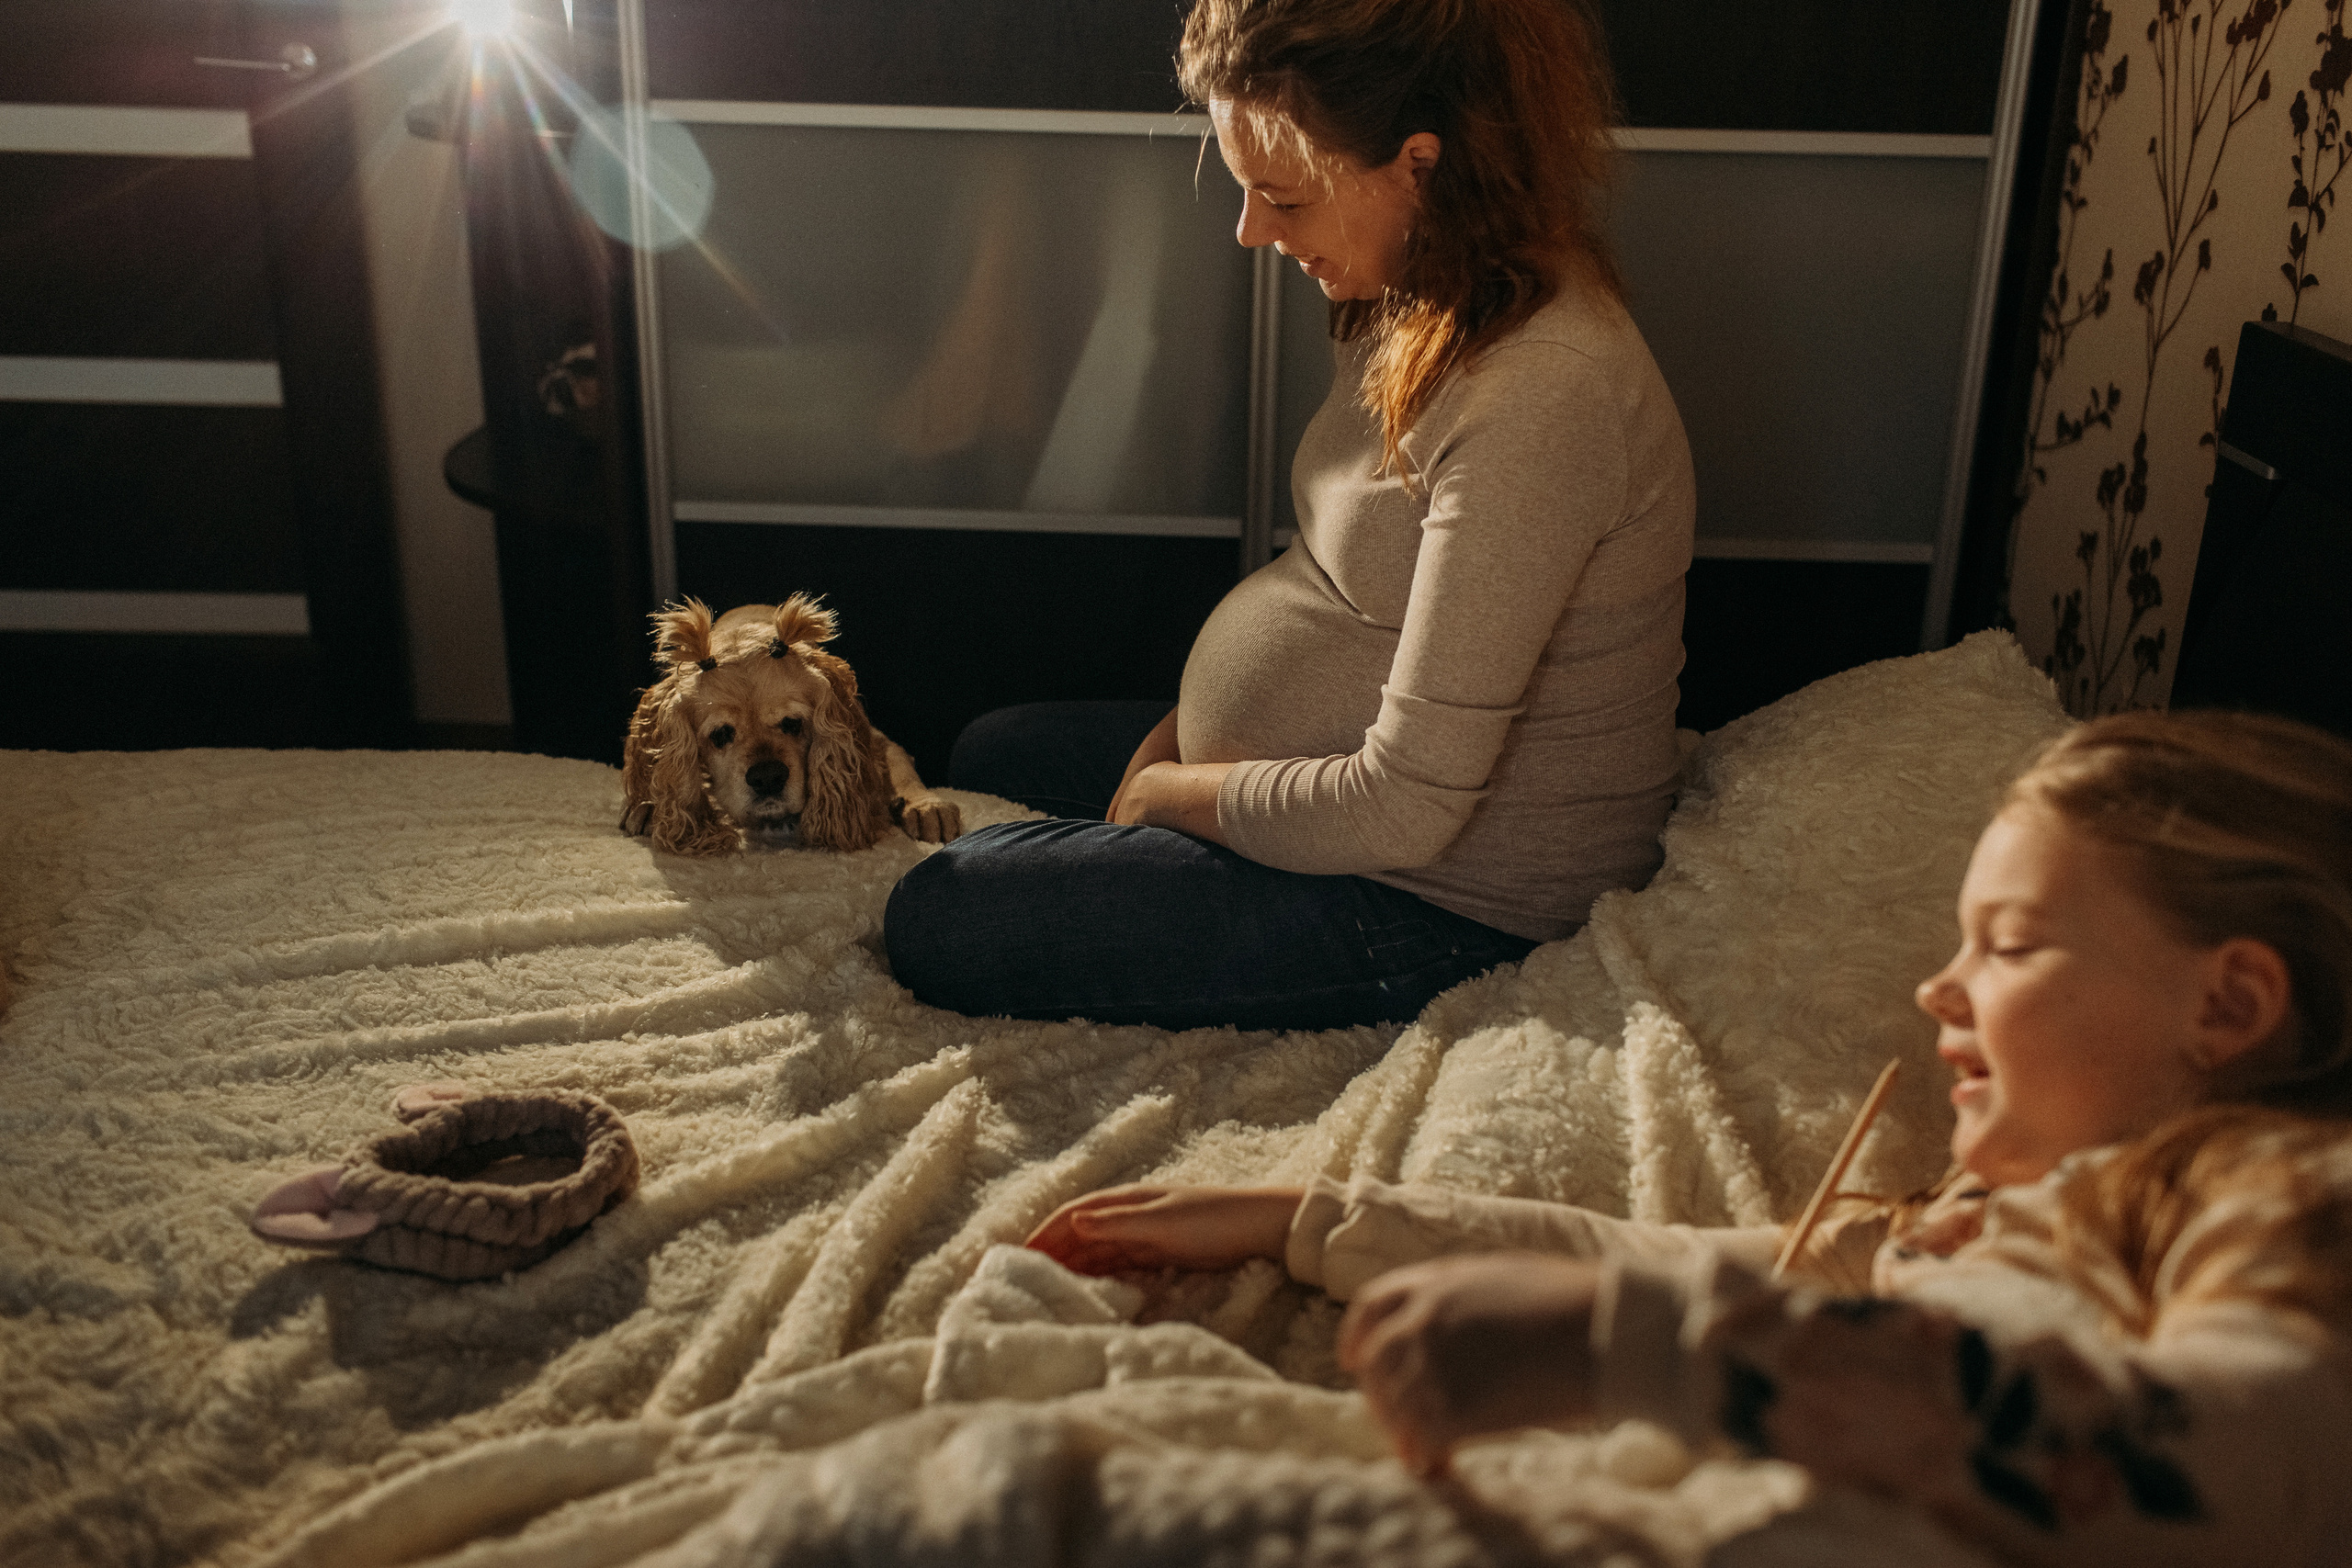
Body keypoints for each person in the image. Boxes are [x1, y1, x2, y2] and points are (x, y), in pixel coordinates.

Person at [1027, 709, 2352, 1565]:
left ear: (2228, 1001)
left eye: (2007, 946)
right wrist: (1307, 1212)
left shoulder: (2286, 1189)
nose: (1940, 989)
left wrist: (1628, 1348)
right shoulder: (1962, 1224)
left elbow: (2233, 1456)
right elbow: (1675, 1257)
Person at [883, 0, 1694, 1032]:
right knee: (994, 750)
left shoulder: (1544, 394)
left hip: (1440, 898)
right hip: (1340, 801)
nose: (1251, 231)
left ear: (1417, 165)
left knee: (944, 911)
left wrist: (1170, 798)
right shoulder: (1424, 289)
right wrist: (1188, 737)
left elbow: (1409, 804)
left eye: (1282, 198)